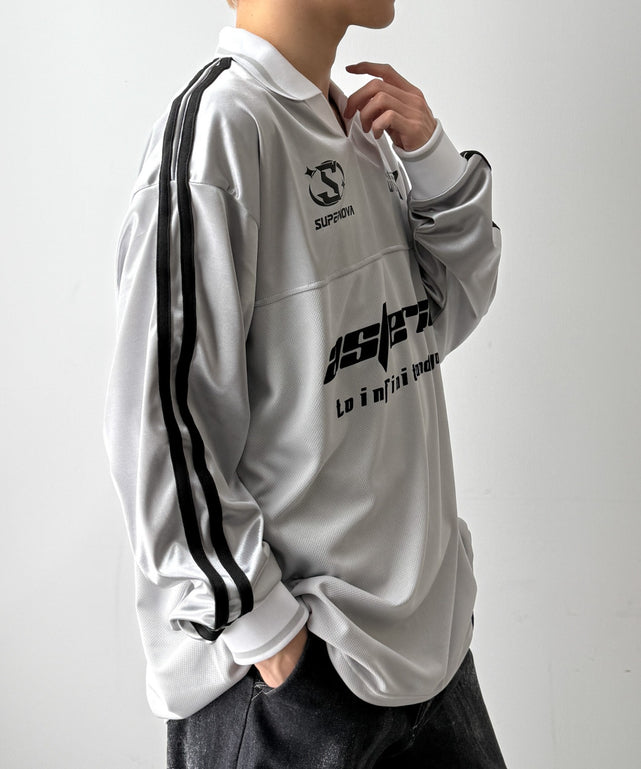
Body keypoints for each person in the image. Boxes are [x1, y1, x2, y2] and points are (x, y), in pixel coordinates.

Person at [103, 0, 505, 765]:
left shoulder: (356, 126)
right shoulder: (220, 131)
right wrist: (268, 631)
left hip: (430, 656)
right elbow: (156, 423)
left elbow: (428, 324)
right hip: (296, 684)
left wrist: (434, 165)